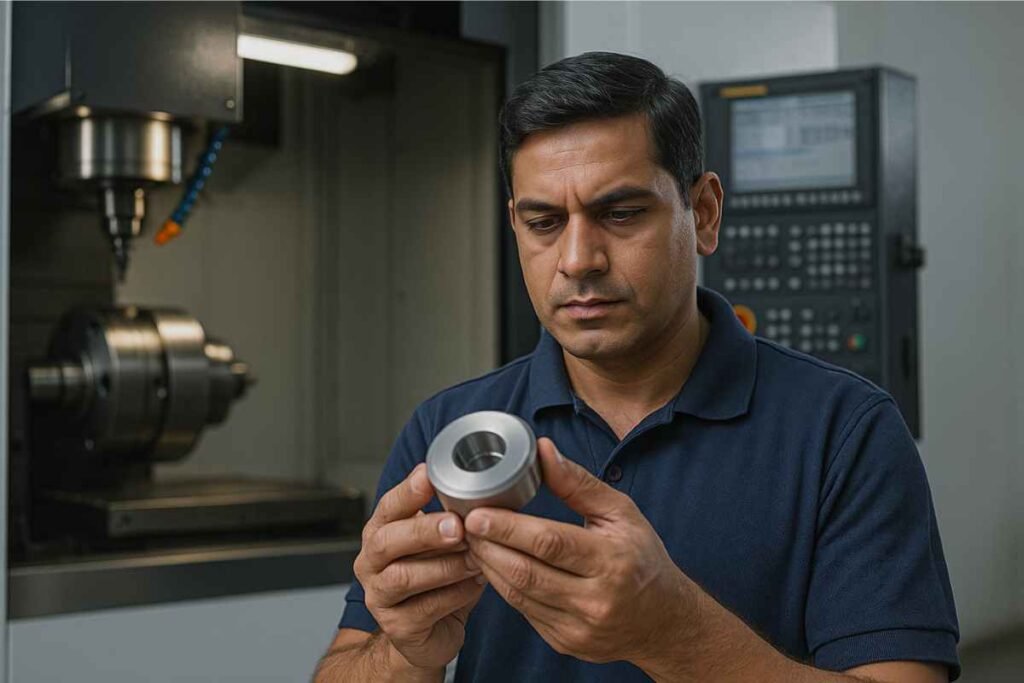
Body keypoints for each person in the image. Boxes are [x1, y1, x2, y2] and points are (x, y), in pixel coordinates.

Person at [314, 52, 959, 682]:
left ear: (702, 213)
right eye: (543, 222)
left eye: (620, 214)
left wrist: (674, 634)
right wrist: (404, 657)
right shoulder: (452, 431)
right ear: (515, 225)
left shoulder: (844, 432)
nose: (577, 259)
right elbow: (349, 663)